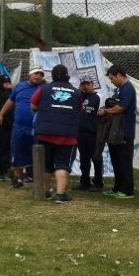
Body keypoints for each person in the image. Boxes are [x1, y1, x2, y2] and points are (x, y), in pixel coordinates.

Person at [30, 64, 81, 203]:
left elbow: (33, 104)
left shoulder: (44, 88)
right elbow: (79, 110)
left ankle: (45, 192)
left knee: (47, 165)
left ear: (52, 75)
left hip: (46, 132)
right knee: (62, 164)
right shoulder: (76, 92)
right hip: (67, 135)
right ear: (67, 75)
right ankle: (60, 195)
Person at [0, 67, 45, 188]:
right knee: (16, 152)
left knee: (36, 154)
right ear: (30, 74)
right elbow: (10, 101)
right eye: (36, 73)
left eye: (40, 74)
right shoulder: (19, 86)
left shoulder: (43, 89)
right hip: (18, 126)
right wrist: (1, 114)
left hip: (36, 127)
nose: (38, 76)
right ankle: (18, 179)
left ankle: (37, 180)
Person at [100, 64, 137, 199]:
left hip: (124, 131)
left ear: (119, 75)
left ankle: (127, 190)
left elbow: (120, 108)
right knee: (115, 160)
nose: (111, 81)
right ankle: (117, 187)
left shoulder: (128, 89)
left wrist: (105, 111)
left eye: (112, 78)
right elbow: (113, 104)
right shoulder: (119, 89)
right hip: (115, 131)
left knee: (124, 161)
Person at [75, 79, 102, 191]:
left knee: (95, 158)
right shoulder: (79, 96)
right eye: (83, 84)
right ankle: (85, 182)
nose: (86, 86)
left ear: (92, 85)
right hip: (80, 132)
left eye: (88, 84)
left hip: (93, 133)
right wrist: (79, 90)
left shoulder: (97, 97)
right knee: (83, 159)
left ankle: (98, 182)